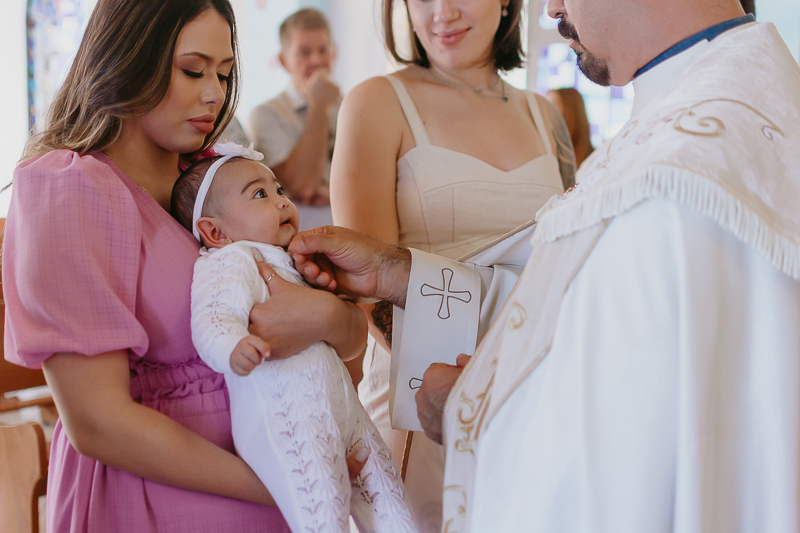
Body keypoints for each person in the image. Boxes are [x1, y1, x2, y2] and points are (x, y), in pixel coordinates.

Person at [287, 0, 800, 531]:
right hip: (419, 386)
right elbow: (572, 280)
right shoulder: (710, 109)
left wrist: (476, 399)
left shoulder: (674, 162)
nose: (551, 5)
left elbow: (619, 387)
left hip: (475, 383)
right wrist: (399, 275)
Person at [3, 1, 367, 531]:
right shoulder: (71, 187)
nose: (214, 93)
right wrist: (286, 484)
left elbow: (350, 333)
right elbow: (98, 423)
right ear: (126, 58)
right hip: (164, 492)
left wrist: (333, 319)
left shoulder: (222, 179)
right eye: (192, 70)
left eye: (224, 73)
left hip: (285, 470)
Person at [329, 0, 575, 529]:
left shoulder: (545, 114)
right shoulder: (377, 102)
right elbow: (369, 287)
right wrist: (465, 386)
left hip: (527, 383)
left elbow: (565, 260)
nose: (442, 13)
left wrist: (518, 379)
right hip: (423, 389)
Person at [170, 142, 417, 533]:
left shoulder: (291, 258)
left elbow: (347, 329)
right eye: (260, 194)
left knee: (389, 495)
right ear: (215, 232)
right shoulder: (233, 260)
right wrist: (234, 346)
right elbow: (213, 318)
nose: (282, 202)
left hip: (345, 412)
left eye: (279, 190)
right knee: (322, 509)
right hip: (292, 416)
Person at [248, 8, 339, 230]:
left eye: (323, 50)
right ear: (284, 61)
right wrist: (319, 105)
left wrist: (335, 193)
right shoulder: (265, 115)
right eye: (304, 52)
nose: (317, 60)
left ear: (333, 53)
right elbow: (302, 187)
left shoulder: (353, 106)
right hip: (305, 237)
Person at [545, 87, 594, 167]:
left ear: (571, 112)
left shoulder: (594, 160)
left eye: (553, 104)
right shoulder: (545, 152)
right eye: (545, 105)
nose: (545, 111)